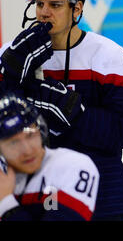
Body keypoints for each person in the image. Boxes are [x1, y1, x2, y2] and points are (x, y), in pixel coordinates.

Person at [0, 0, 123, 220]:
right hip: (32, 191)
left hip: (103, 192)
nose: (44, 13)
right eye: (40, 4)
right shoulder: (11, 54)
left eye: (55, 5)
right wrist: (10, 80)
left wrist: (75, 113)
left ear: (77, 8)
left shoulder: (109, 56)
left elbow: (121, 132)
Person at [0, 93, 99, 221]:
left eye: (30, 135)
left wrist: (6, 203)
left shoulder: (71, 165)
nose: (27, 150)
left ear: (40, 130)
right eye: (13, 143)